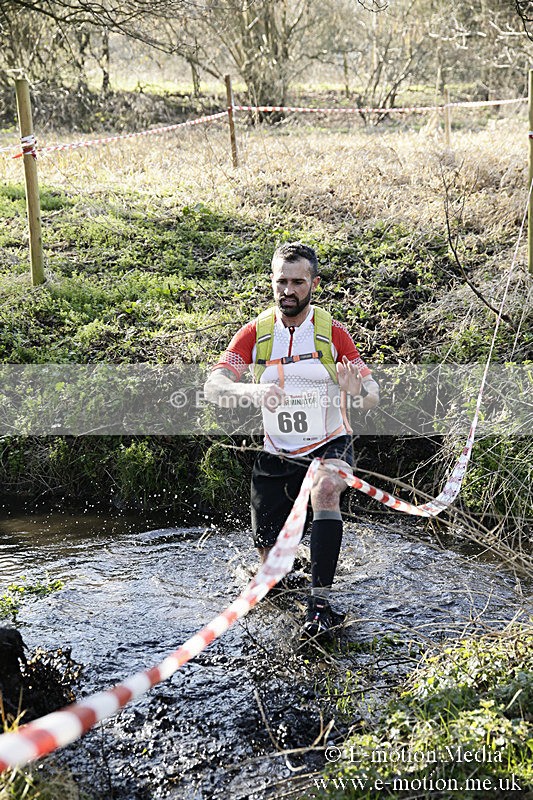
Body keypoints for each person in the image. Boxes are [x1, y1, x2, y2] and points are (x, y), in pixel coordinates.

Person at [204, 242, 379, 642]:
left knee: (326, 488)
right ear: (272, 282)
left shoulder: (332, 333)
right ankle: (287, 577)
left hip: (330, 442)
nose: (288, 290)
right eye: (281, 281)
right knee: (272, 576)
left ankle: (320, 604)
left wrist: (357, 391)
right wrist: (252, 392)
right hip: (278, 452)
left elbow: (373, 393)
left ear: (314, 284)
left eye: (298, 282)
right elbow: (214, 385)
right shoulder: (257, 332)